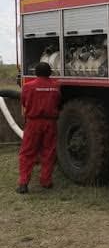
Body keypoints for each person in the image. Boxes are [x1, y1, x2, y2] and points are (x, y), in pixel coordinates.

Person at [16, 62, 61, 194]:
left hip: (33, 122)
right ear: (50, 73)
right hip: (50, 123)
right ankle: (46, 181)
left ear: (35, 73)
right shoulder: (56, 87)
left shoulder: (28, 87)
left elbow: (24, 102)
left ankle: (23, 183)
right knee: (48, 152)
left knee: (27, 153)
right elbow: (58, 102)